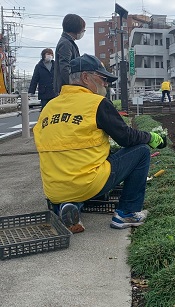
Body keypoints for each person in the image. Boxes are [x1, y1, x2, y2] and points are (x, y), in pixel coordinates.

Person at [34, 54, 166, 233]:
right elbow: (126, 137)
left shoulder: (49, 107)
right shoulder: (96, 103)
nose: (106, 84)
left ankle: (67, 206)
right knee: (141, 151)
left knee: (77, 170)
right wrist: (150, 137)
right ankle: (126, 213)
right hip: (87, 183)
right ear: (85, 78)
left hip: (53, 189)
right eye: (102, 78)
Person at [54, 13, 85, 94]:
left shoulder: (67, 42)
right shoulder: (66, 43)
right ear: (76, 28)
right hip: (67, 88)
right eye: (82, 29)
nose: (83, 32)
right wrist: (75, 83)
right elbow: (64, 67)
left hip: (66, 87)